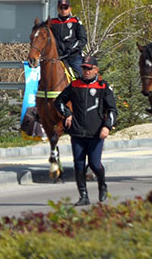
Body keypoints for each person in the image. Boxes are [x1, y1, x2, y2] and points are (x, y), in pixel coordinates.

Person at [53, 55, 116, 206]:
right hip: (77, 133)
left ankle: (102, 185)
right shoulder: (74, 85)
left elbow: (113, 110)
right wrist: (67, 114)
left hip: (95, 133)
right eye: (83, 68)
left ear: (96, 70)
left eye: (89, 68)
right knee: (79, 165)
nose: (86, 71)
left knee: (94, 164)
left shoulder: (103, 87)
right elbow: (58, 102)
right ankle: (83, 195)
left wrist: (107, 126)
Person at [49, 0, 87, 78]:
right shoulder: (52, 23)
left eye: (66, 7)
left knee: (82, 77)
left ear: (70, 9)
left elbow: (83, 40)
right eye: (61, 8)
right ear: (57, 9)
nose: (63, 10)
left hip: (73, 57)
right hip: (56, 58)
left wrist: (72, 49)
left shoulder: (76, 22)